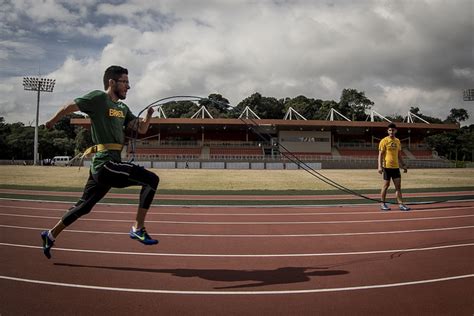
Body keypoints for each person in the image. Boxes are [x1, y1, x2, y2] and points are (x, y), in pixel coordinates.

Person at [41, 65, 159, 259]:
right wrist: (52, 121)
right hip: (104, 164)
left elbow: (141, 129)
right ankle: (138, 227)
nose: (128, 86)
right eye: (125, 82)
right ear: (112, 82)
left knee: (84, 206)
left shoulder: (122, 108)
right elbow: (69, 107)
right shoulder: (98, 98)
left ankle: (50, 235)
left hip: (111, 164)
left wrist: (148, 117)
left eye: (128, 82)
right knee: (151, 180)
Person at [378, 122, 411, 211]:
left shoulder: (397, 141)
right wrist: (379, 166)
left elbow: (399, 155)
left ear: (395, 131)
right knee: (386, 186)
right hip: (387, 167)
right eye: (390, 130)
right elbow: (380, 154)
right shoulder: (384, 141)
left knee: (398, 187)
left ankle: (401, 204)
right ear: (387, 131)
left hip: (396, 168)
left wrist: (403, 165)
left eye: (393, 130)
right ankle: (383, 204)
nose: (391, 131)